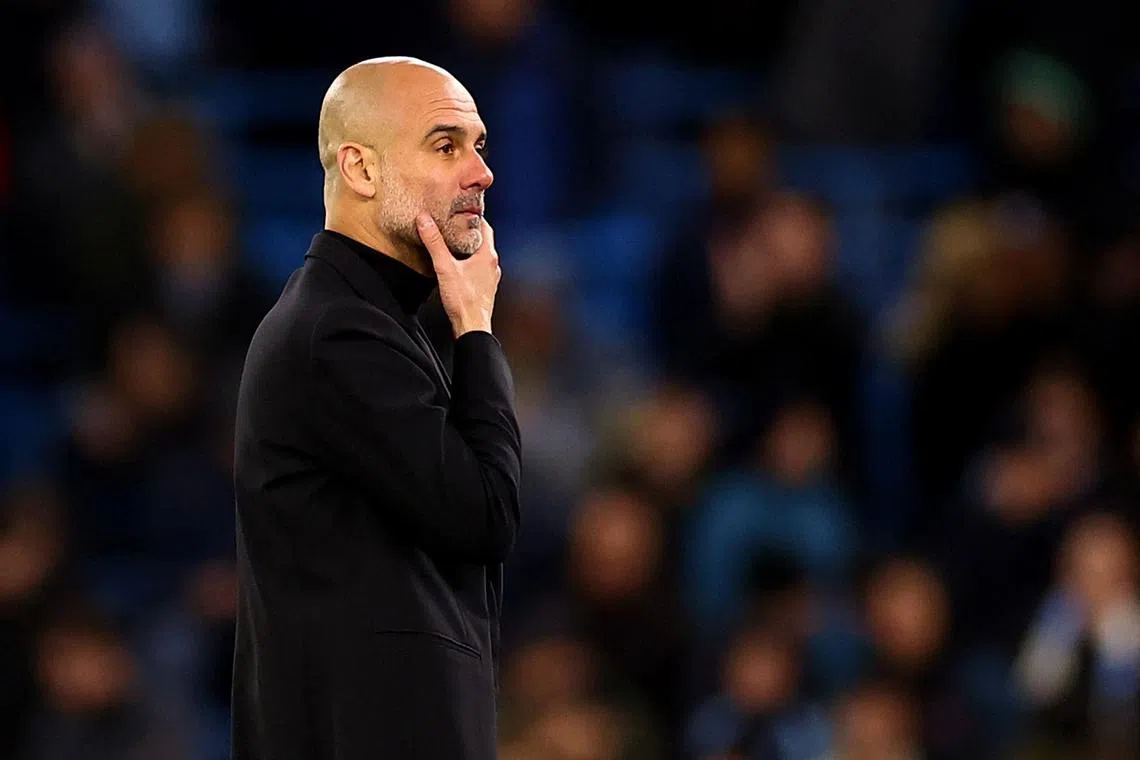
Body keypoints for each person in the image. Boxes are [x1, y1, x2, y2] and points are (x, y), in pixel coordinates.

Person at [229, 56, 522, 760]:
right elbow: (487, 512)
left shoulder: (380, 323)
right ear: (360, 169)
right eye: (445, 146)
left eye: (479, 146)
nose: (481, 173)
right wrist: (476, 326)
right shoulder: (336, 331)